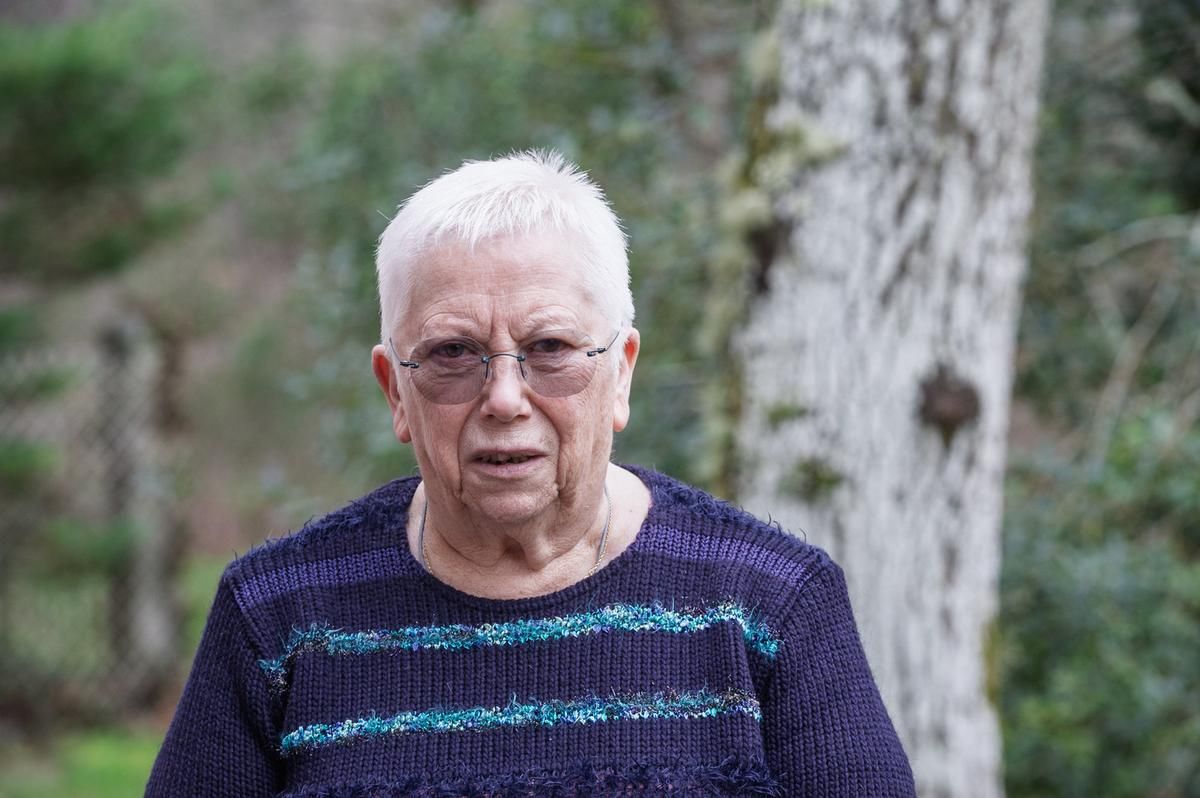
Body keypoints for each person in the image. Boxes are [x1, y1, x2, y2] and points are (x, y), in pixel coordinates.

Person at [146, 151, 916, 796]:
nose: (505, 398)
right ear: (395, 391)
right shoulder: (276, 618)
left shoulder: (772, 606)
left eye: (549, 347)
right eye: (453, 354)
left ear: (620, 374)